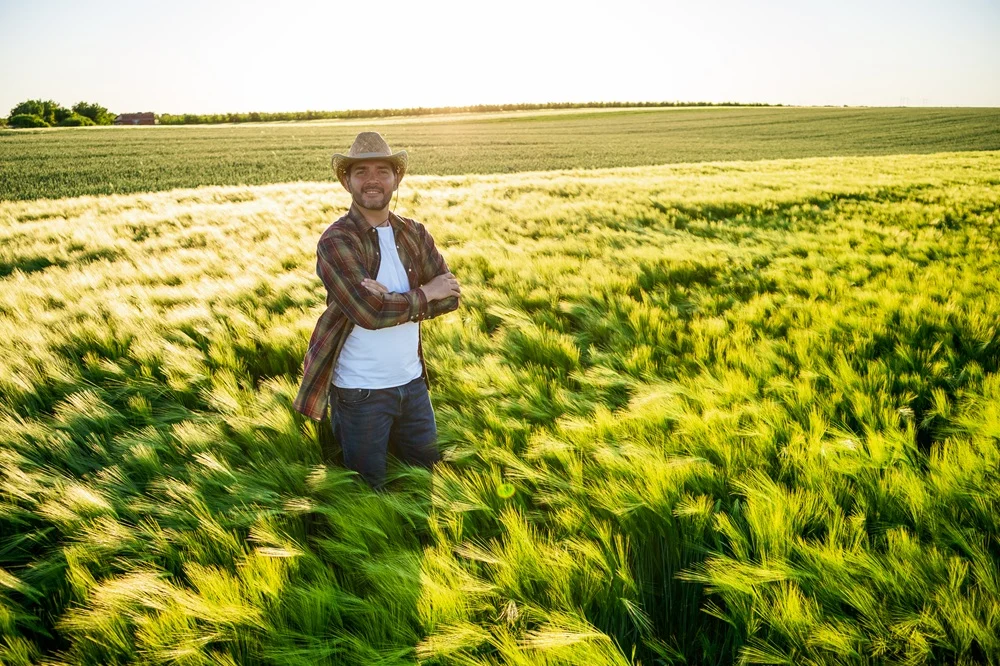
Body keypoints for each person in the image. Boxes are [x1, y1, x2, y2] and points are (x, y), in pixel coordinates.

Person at [292, 131, 461, 489]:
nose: (373, 180)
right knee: (369, 489)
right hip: (360, 392)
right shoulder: (337, 240)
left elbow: (451, 296)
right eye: (361, 171)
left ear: (396, 178)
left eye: (383, 170)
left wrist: (394, 300)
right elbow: (367, 314)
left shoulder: (414, 233)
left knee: (425, 481)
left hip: (413, 385)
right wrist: (425, 292)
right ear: (346, 181)